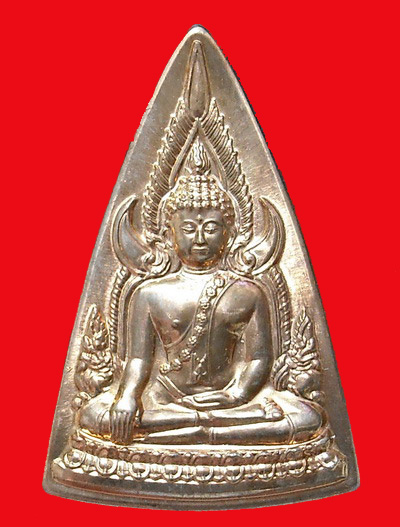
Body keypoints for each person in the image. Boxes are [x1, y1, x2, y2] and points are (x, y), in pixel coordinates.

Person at [80, 141, 323, 445]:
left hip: (230, 402)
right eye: (188, 229)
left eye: (210, 228)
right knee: (92, 416)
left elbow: (259, 359)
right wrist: (128, 396)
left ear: (229, 234)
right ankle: (207, 428)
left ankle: (198, 428)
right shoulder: (149, 293)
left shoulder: (248, 292)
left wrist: (237, 394)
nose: (199, 238)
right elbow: (139, 360)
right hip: (164, 400)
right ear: (168, 234)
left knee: (309, 417)